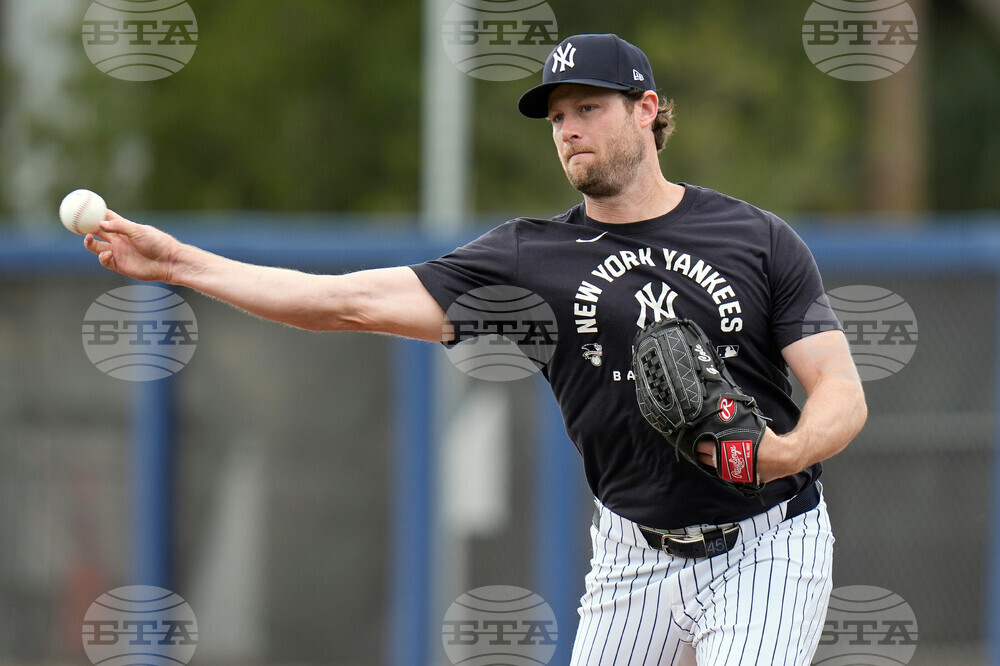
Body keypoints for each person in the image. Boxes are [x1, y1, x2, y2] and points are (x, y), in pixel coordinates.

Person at [84, 33, 866, 666]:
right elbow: (344, 305)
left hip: (768, 538)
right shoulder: (529, 261)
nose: (569, 131)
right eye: (557, 117)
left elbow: (839, 389)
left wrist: (781, 453)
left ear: (647, 111)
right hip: (635, 554)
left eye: (588, 108)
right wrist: (177, 262)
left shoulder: (756, 239)